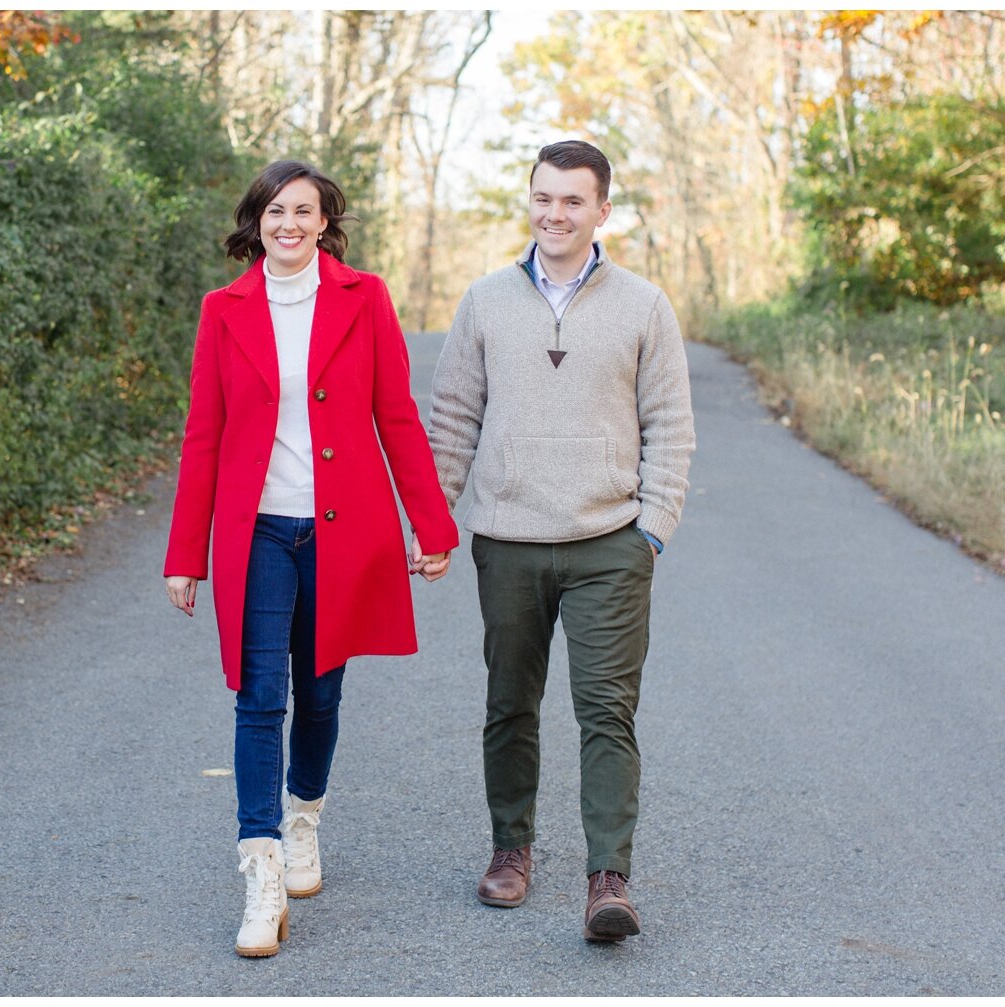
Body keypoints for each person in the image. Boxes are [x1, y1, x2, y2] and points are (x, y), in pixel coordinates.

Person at [163, 160, 456, 958]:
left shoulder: (364, 299)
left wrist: (431, 525)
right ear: (256, 219)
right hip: (256, 530)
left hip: (341, 529)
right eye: (274, 210)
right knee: (260, 695)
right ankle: (259, 872)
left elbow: (395, 413)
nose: (288, 224)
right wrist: (185, 551)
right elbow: (205, 433)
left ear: (326, 221)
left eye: (305, 211)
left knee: (320, 692)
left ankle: (303, 820)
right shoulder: (223, 309)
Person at [427, 140, 695, 942]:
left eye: (573, 200)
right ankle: (511, 849)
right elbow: (451, 419)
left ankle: (607, 878)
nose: (555, 213)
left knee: (607, 710)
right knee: (509, 703)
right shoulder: (483, 301)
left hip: (609, 541)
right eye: (544, 197)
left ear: (602, 210)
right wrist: (437, 521)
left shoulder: (644, 305)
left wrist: (652, 528)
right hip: (506, 539)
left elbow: (670, 427)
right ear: (530, 201)